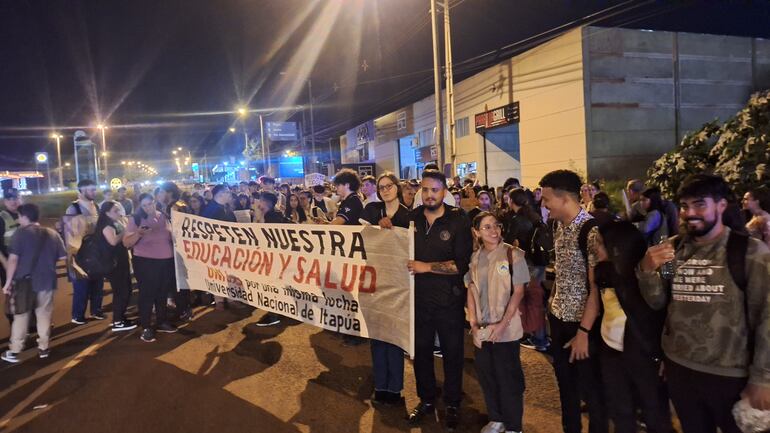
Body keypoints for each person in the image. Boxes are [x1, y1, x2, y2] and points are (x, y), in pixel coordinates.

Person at [638, 174, 770, 433]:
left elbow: (767, 317)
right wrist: (646, 270)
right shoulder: (673, 251)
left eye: (700, 205)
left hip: (731, 375)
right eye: (685, 206)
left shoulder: (750, 253)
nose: (690, 213)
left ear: (721, 206)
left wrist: (763, 378)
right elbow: (660, 300)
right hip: (681, 371)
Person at [539, 170, 607, 433]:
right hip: (559, 321)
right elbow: (562, 271)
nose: (544, 206)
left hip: (582, 327)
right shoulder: (558, 225)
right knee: (566, 389)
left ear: (564, 197)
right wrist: (552, 306)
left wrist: (583, 332)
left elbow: (596, 288)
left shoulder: (591, 232)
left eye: (546, 200)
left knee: (592, 393)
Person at [406, 169, 473, 431]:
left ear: (444, 192)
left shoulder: (458, 220)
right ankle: (426, 400)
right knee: (421, 353)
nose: (429, 195)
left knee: (453, 353)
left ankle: (453, 403)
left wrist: (426, 267)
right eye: (425, 190)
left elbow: (461, 264)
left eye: (434, 190)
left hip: (449, 302)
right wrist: (387, 227)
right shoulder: (412, 219)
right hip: (419, 301)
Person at [593, 221, 671, 433]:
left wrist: (665, 355)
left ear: (617, 247)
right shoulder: (602, 272)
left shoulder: (645, 274)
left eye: (601, 243)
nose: (595, 248)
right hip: (611, 350)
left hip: (643, 353)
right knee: (620, 411)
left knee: (654, 411)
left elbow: (661, 313)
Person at [466, 211, 529, 433]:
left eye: (496, 225)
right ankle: (496, 418)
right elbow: (471, 290)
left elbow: (518, 292)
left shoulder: (514, 255)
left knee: (508, 378)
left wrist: (501, 326)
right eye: (487, 227)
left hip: (507, 329)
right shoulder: (475, 258)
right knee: (487, 376)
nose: (494, 231)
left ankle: (513, 425)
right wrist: (473, 324)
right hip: (482, 330)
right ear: (476, 232)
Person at [363, 173, 410, 405]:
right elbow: (359, 237)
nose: (385, 190)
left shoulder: (409, 216)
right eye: (381, 187)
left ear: (397, 188)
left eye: (389, 186)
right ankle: (380, 386)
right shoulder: (372, 210)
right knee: (378, 337)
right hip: (374, 282)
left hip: (398, 283)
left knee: (394, 337)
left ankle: (395, 388)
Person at [1, 204, 66, 363]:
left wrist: (8, 282)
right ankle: (43, 347)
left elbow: (13, 260)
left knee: (21, 316)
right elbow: (63, 257)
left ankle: (15, 350)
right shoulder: (52, 234)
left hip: (25, 282)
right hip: (47, 280)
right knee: (44, 315)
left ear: (24, 217)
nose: (18, 219)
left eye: (19, 216)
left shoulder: (20, 234)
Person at [123, 193, 178, 343]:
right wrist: (139, 233)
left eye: (150, 203)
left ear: (155, 202)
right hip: (146, 262)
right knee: (147, 294)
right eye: (144, 205)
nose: (148, 207)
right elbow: (126, 243)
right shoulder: (135, 219)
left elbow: (170, 235)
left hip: (165, 262)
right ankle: (146, 326)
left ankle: (161, 321)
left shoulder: (163, 216)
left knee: (161, 293)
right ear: (140, 206)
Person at [506, 188, 550, 352]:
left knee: (531, 300)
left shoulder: (518, 219)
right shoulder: (534, 215)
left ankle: (538, 338)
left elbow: (508, 242)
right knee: (536, 299)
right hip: (539, 262)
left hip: (527, 263)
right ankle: (539, 335)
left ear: (511, 201)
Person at [65, 179, 104, 325]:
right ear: (81, 191)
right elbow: (70, 234)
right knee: (82, 285)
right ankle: (78, 315)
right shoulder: (73, 208)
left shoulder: (97, 207)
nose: (94, 192)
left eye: (94, 189)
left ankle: (96, 311)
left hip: (96, 252)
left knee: (97, 284)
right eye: (90, 189)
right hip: (80, 253)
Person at [95, 201, 137, 332]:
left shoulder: (115, 222)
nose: (119, 213)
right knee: (121, 292)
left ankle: (120, 317)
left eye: (119, 210)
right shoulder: (106, 225)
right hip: (115, 265)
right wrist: (124, 232)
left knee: (126, 290)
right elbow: (112, 241)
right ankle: (118, 321)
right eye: (115, 211)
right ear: (107, 213)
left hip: (121, 261)